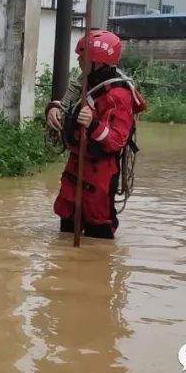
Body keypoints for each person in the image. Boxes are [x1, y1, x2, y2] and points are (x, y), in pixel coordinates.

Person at [49, 30, 145, 238]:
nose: (78, 60)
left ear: (98, 61)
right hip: (75, 167)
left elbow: (117, 141)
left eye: (83, 57)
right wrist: (54, 109)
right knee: (66, 224)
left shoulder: (118, 95)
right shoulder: (83, 83)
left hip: (99, 172)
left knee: (98, 232)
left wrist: (93, 124)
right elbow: (67, 105)